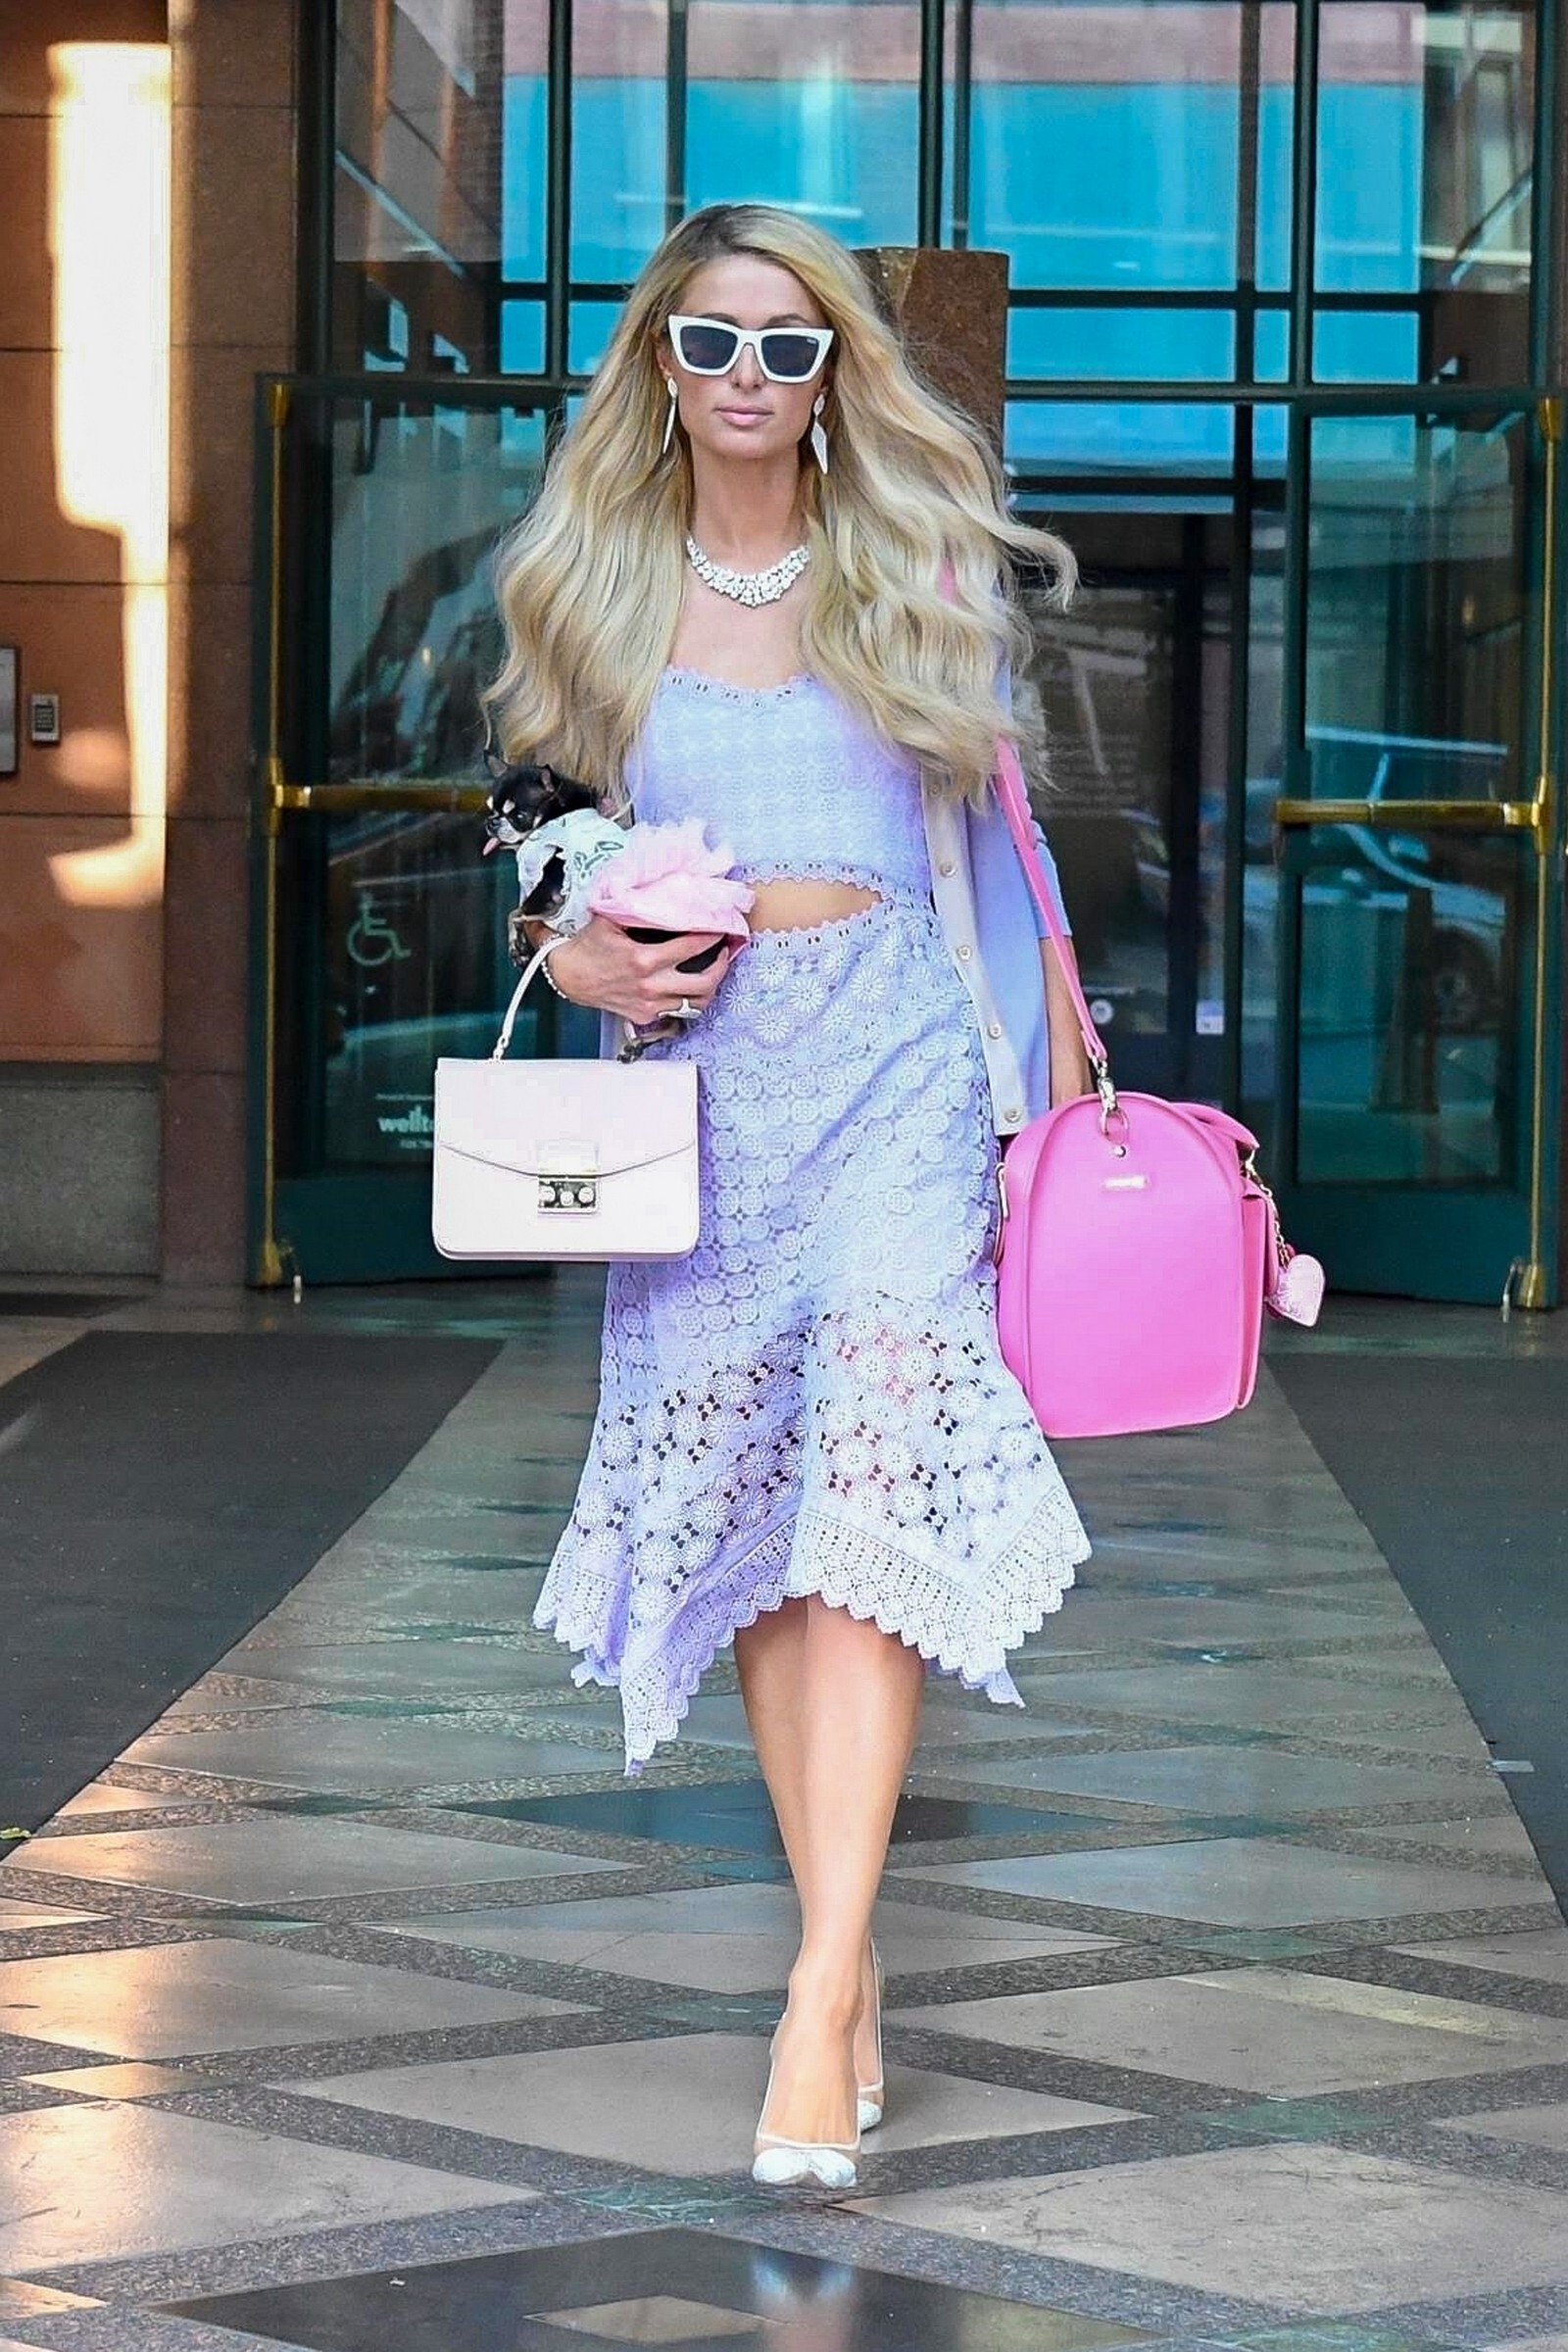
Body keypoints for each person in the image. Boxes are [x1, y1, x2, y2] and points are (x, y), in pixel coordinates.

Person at [486, 201, 1093, 2190]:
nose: (746, 377)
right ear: (658, 365)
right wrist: (574, 946)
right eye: (711, 342)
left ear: (834, 374)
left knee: (869, 1483)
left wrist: (1055, 1090)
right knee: (761, 1514)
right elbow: (537, 836)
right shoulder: (591, 579)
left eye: (787, 344)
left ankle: (818, 1991)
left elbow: (1001, 841)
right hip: (700, 1081)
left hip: (900, 1056)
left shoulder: (912, 565)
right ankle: (846, 1946)